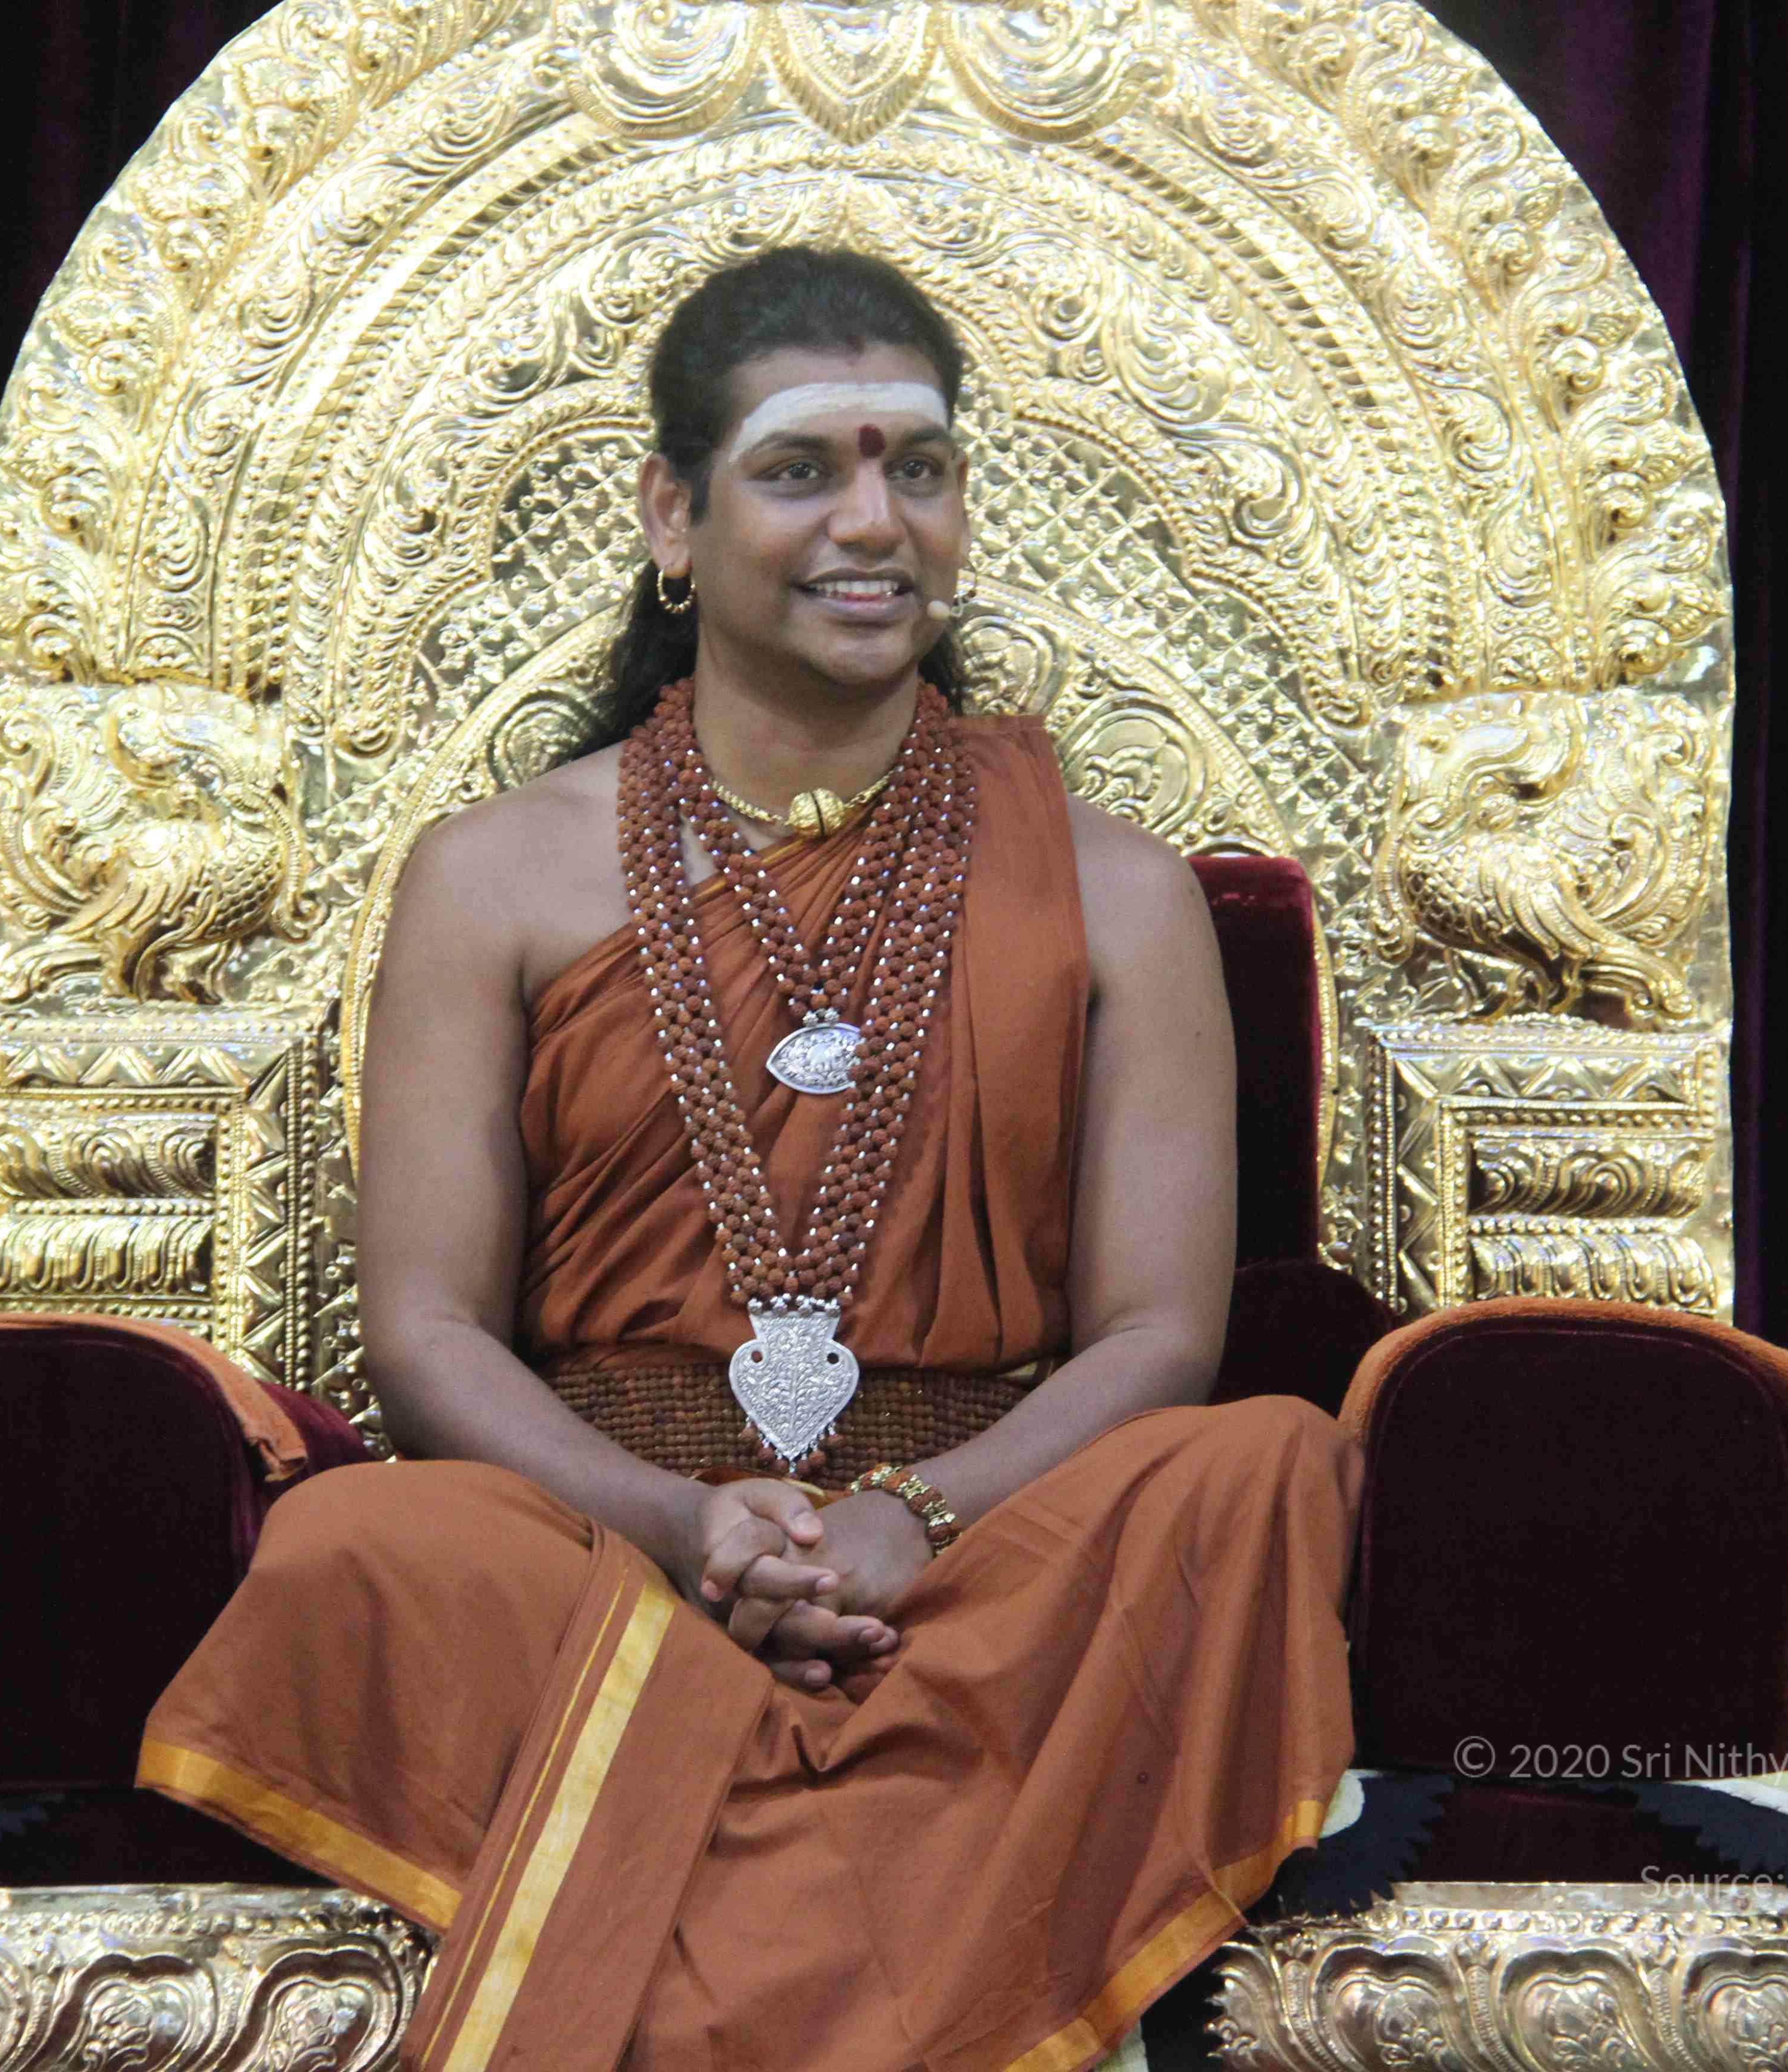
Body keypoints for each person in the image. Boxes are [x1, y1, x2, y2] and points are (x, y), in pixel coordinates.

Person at [140, 246, 1360, 2072]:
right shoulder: (497, 873)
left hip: (984, 1554)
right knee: (360, 1543)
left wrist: (903, 1522)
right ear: (673, 516)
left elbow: (1158, 1336)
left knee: (1249, 1473)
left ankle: (676, 1885)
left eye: (918, 468)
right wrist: (686, 1529)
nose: (875, 522)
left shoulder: (1116, 889)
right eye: (802, 470)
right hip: (602, 1552)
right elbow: (428, 1333)